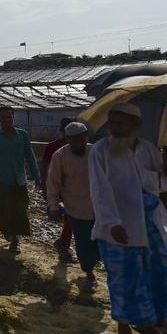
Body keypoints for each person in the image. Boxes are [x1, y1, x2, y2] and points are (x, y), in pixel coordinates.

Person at [89, 103, 167, 334]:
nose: (113, 128)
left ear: (135, 125)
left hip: (150, 226)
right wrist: (112, 221)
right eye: (111, 123)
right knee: (123, 279)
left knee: (159, 271)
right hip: (116, 228)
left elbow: (160, 186)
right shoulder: (101, 150)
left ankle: (153, 322)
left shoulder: (149, 150)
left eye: (120, 123)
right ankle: (123, 330)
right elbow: (99, 189)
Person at [47, 121, 99, 286]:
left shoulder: (96, 152)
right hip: (75, 207)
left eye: (81, 139)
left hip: (99, 207)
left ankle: (92, 263)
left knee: (100, 242)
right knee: (83, 242)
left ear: (86, 137)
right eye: (74, 140)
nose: (78, 143)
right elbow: (53, 183)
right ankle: (89, 271)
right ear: (68, 139)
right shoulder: (60, 156)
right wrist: (54, 207)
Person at [0, 106, 39, 254]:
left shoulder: (22, 135)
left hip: (19, 178)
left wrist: (37, 176)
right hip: (1, 179)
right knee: (5, 208)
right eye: (3, 117)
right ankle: (11, 235)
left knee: (20, 208)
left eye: (9, 117)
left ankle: (16, 238)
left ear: (13, 117)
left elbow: (30, 156)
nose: (7, 120)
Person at [43, 117, 77, 262]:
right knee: (70, 216)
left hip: (74, 187)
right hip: (58, 186)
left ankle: (64, 242)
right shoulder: (53, 147)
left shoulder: (79, 147)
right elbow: (45, 166)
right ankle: (64, 243)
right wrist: (45, 186)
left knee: (71, 216)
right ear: (63, 131)